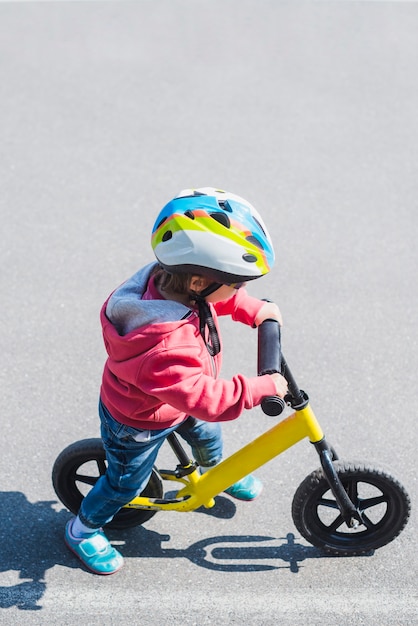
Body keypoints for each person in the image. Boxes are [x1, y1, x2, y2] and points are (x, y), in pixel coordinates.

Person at [64, 187, 288, 575]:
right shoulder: (164, 347)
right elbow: (207, 399)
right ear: (200, 282)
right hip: (139, 419)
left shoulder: (168, 280)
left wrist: (250, 309)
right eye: (236, 284)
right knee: (124, 484)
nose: (239, 290)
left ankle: (216, 473)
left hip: (171, 397)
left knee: (206, 437)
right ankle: (82, 529)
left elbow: (213, 301)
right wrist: (259, 389)